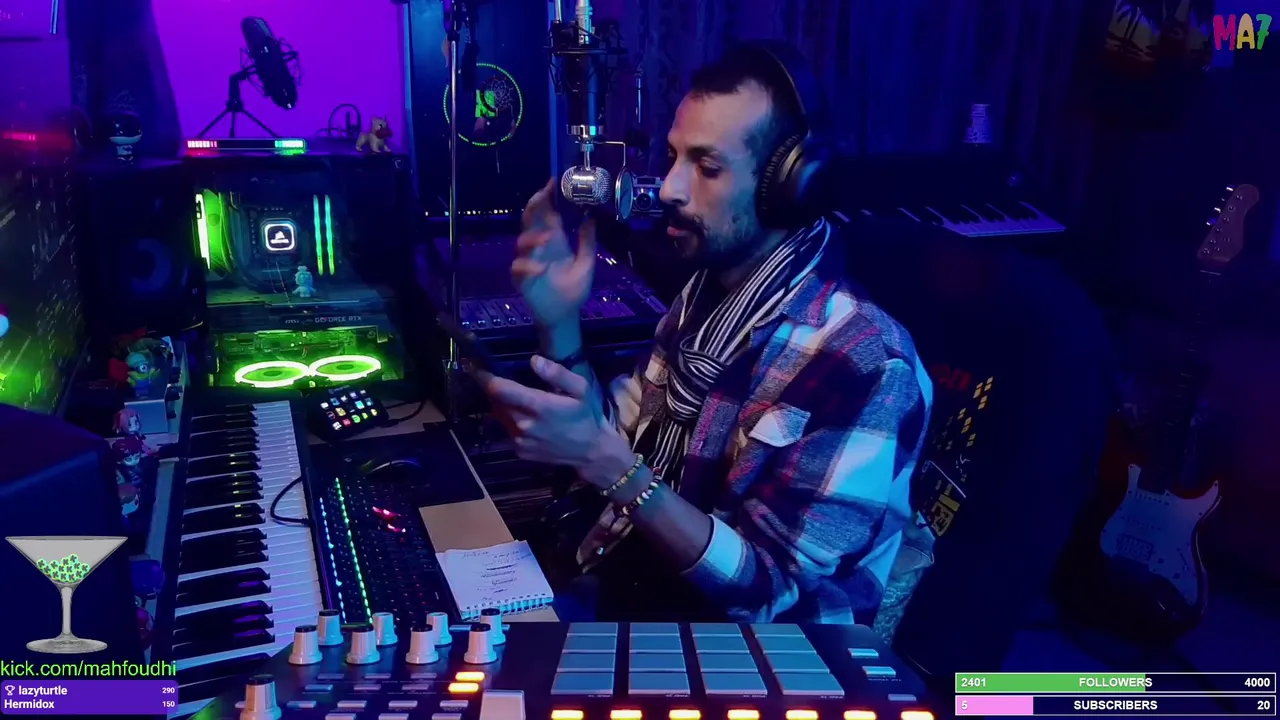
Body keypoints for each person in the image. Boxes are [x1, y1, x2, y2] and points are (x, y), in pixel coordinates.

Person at [480, 42, 933, 624]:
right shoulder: (705, 300)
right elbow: (613, 438)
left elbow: (770, 590)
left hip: (767, 657)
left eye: (707, 167)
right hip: (644, 595)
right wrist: (558, 318)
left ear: (788, 185)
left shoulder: (866, 363)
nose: (670, 188)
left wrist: (614, 470)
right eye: (673, 157)